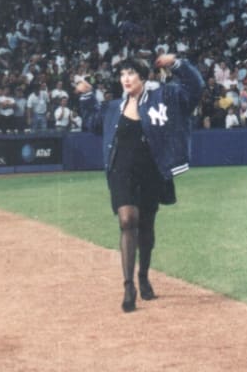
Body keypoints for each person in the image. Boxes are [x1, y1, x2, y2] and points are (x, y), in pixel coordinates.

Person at [76, 54, 204, 313]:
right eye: (123, 74)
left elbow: (195, 88)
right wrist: (87, 96)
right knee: (127, 221)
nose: (126, 78)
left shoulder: (164, 97)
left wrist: (176, 64)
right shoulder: (113, 108)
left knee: (146, 225)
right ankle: (128, 286)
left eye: (131, 73)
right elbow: (91, 123)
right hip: (121, 171)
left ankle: (143, 276)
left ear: (143, 77)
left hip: (151, 171)